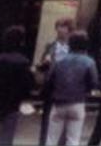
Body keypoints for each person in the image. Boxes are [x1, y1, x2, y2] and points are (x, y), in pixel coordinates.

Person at [45, 31, 99, 146]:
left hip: (58, 102)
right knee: (73, 139)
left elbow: (49, 81)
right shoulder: (89, 62)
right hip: (78, 102)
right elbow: (94, 83)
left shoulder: (59, 61)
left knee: (51, 139)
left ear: (70, 44)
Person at [38, 17, 75, 145]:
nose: (59, 30)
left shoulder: (74, 48)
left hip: (67, 88)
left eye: (62, 27)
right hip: (51, 87)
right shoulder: (50, 46)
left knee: (64, 122)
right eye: (58, 26)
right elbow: (42, 67)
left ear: (69, 30)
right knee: (47, 120)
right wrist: (45, 62)